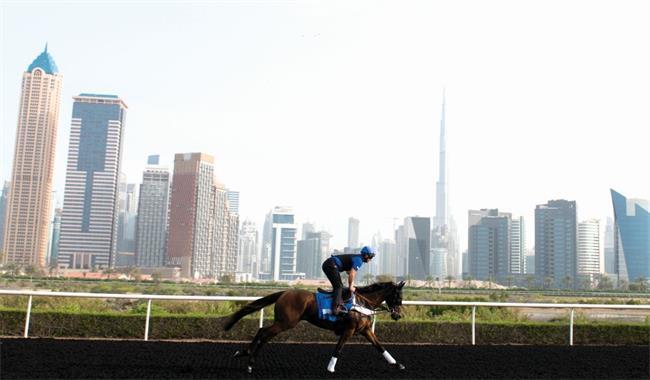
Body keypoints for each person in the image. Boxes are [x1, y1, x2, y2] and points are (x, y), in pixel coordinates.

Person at [321, 246, 376, 315]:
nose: (371, 259)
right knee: (339, 287)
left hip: (330, 264)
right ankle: (335, 309)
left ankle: (339, 302)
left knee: (340, 287)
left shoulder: (358, 258)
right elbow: (352, 274)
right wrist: (351, 286)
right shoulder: (359, 260)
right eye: (371, 257)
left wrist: (351, 278)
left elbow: (349, 272)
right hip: (330, 265)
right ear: (366, 255)